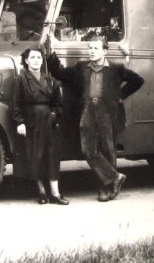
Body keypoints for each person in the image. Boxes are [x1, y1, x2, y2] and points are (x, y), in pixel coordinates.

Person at [48, 36, 144, 202]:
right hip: (87, 110)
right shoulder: (81, 67)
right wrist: (51, 55)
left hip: (108, 112)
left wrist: (120, 96)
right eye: (90, 48)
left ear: (104, 51)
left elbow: (137, 80)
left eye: (95, 48)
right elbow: (60, 73)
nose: (91, 51)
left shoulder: (116, 68)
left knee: (108, 149)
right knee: (88, 150)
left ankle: (105, 188)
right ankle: (114, 178)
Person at [12, 47, 69, 205]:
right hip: (31, 123)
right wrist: (20, 122)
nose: (36, 60)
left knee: (52, 157)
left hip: (48, 123)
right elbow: (16, 103)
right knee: (35, 156)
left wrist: (53, 115)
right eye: (33, 57)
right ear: (26, 60)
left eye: (39, 58)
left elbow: (58, 104)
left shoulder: (50, 80)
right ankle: (42, 192)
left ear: (42, 61)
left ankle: (55, 194)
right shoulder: (21, 79)